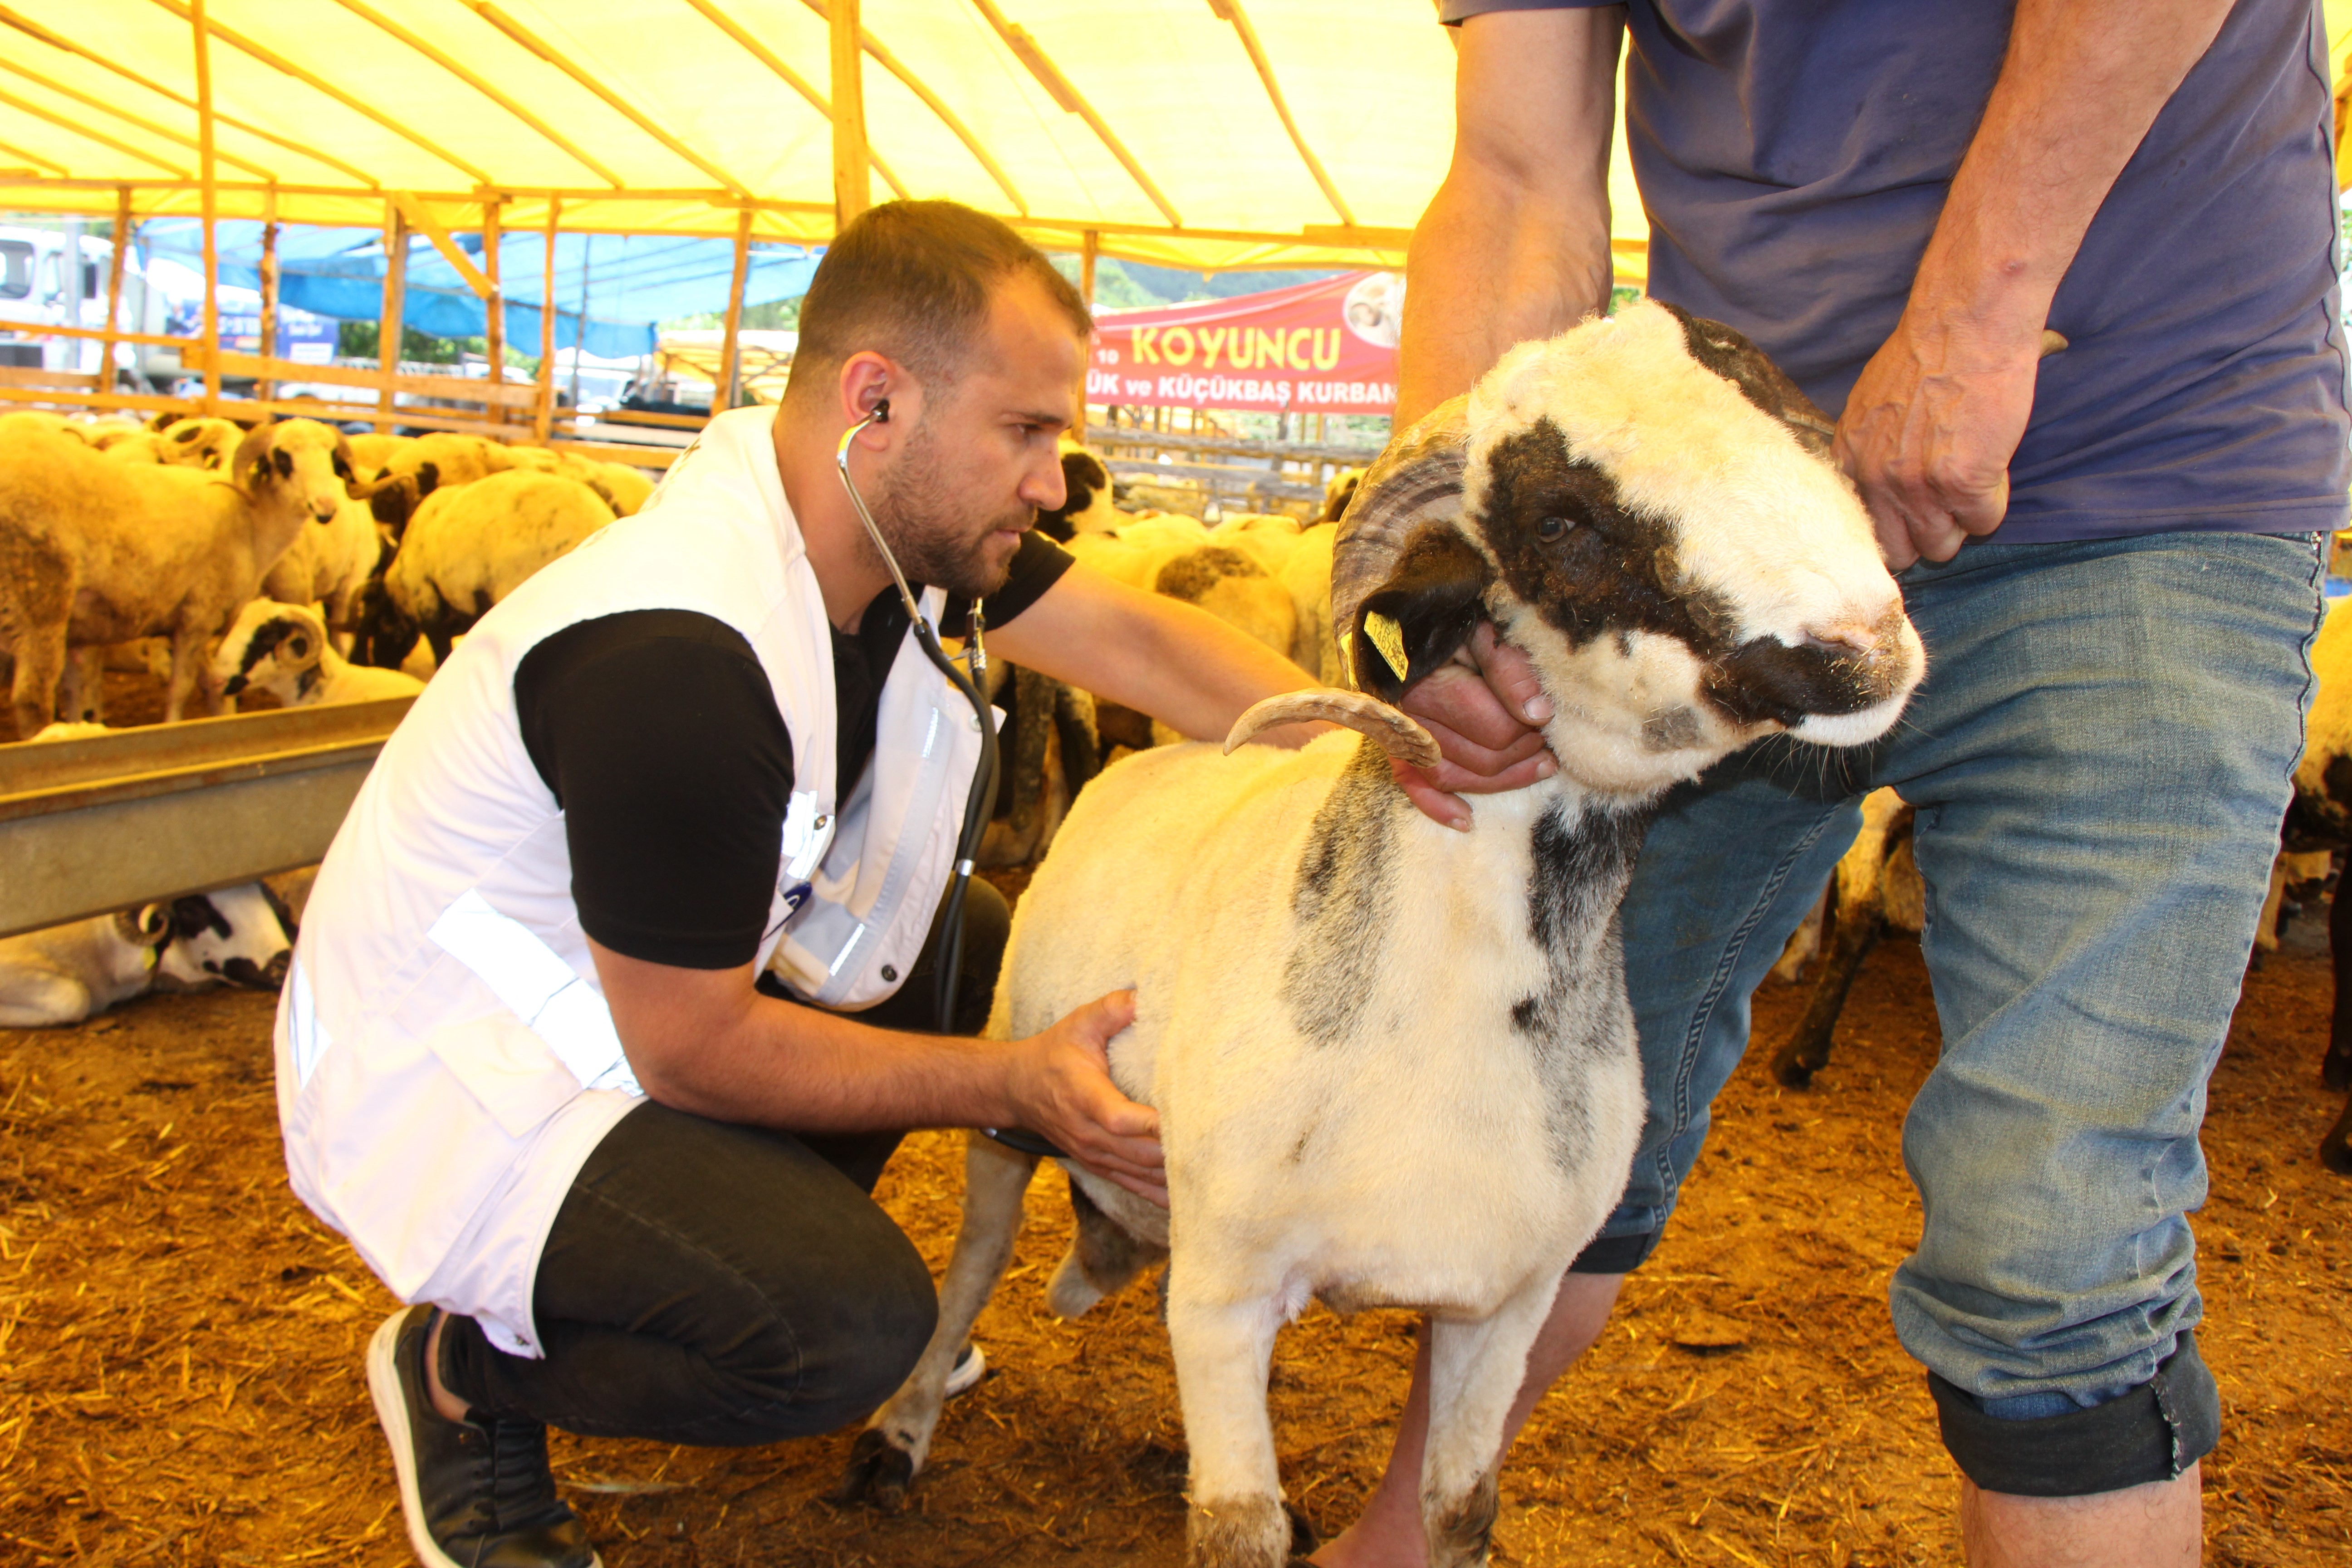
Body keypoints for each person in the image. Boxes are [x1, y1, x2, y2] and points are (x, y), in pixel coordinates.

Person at [275, 201, 1549, 1568]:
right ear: (874, 400)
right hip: (475, 1085)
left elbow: (1151, 647)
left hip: (634, 1008)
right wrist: (1007, 1083)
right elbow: (695, 1046)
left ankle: (730, 1245)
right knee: (840, 1329)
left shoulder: (881, 535)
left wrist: (1384, 742)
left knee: (967, 943)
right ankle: (466, 1377)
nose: (1056, 482)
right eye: (1026, 433)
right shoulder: (680, 662)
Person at [1311, 4, 2350, 1566]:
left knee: (2052, 1230)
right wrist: (1475, 591)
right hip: (1722, 542)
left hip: (2140, 477)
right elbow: (1521, 172)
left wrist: (1978, 318)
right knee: (1568, 1106)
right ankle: (1406, 1542)